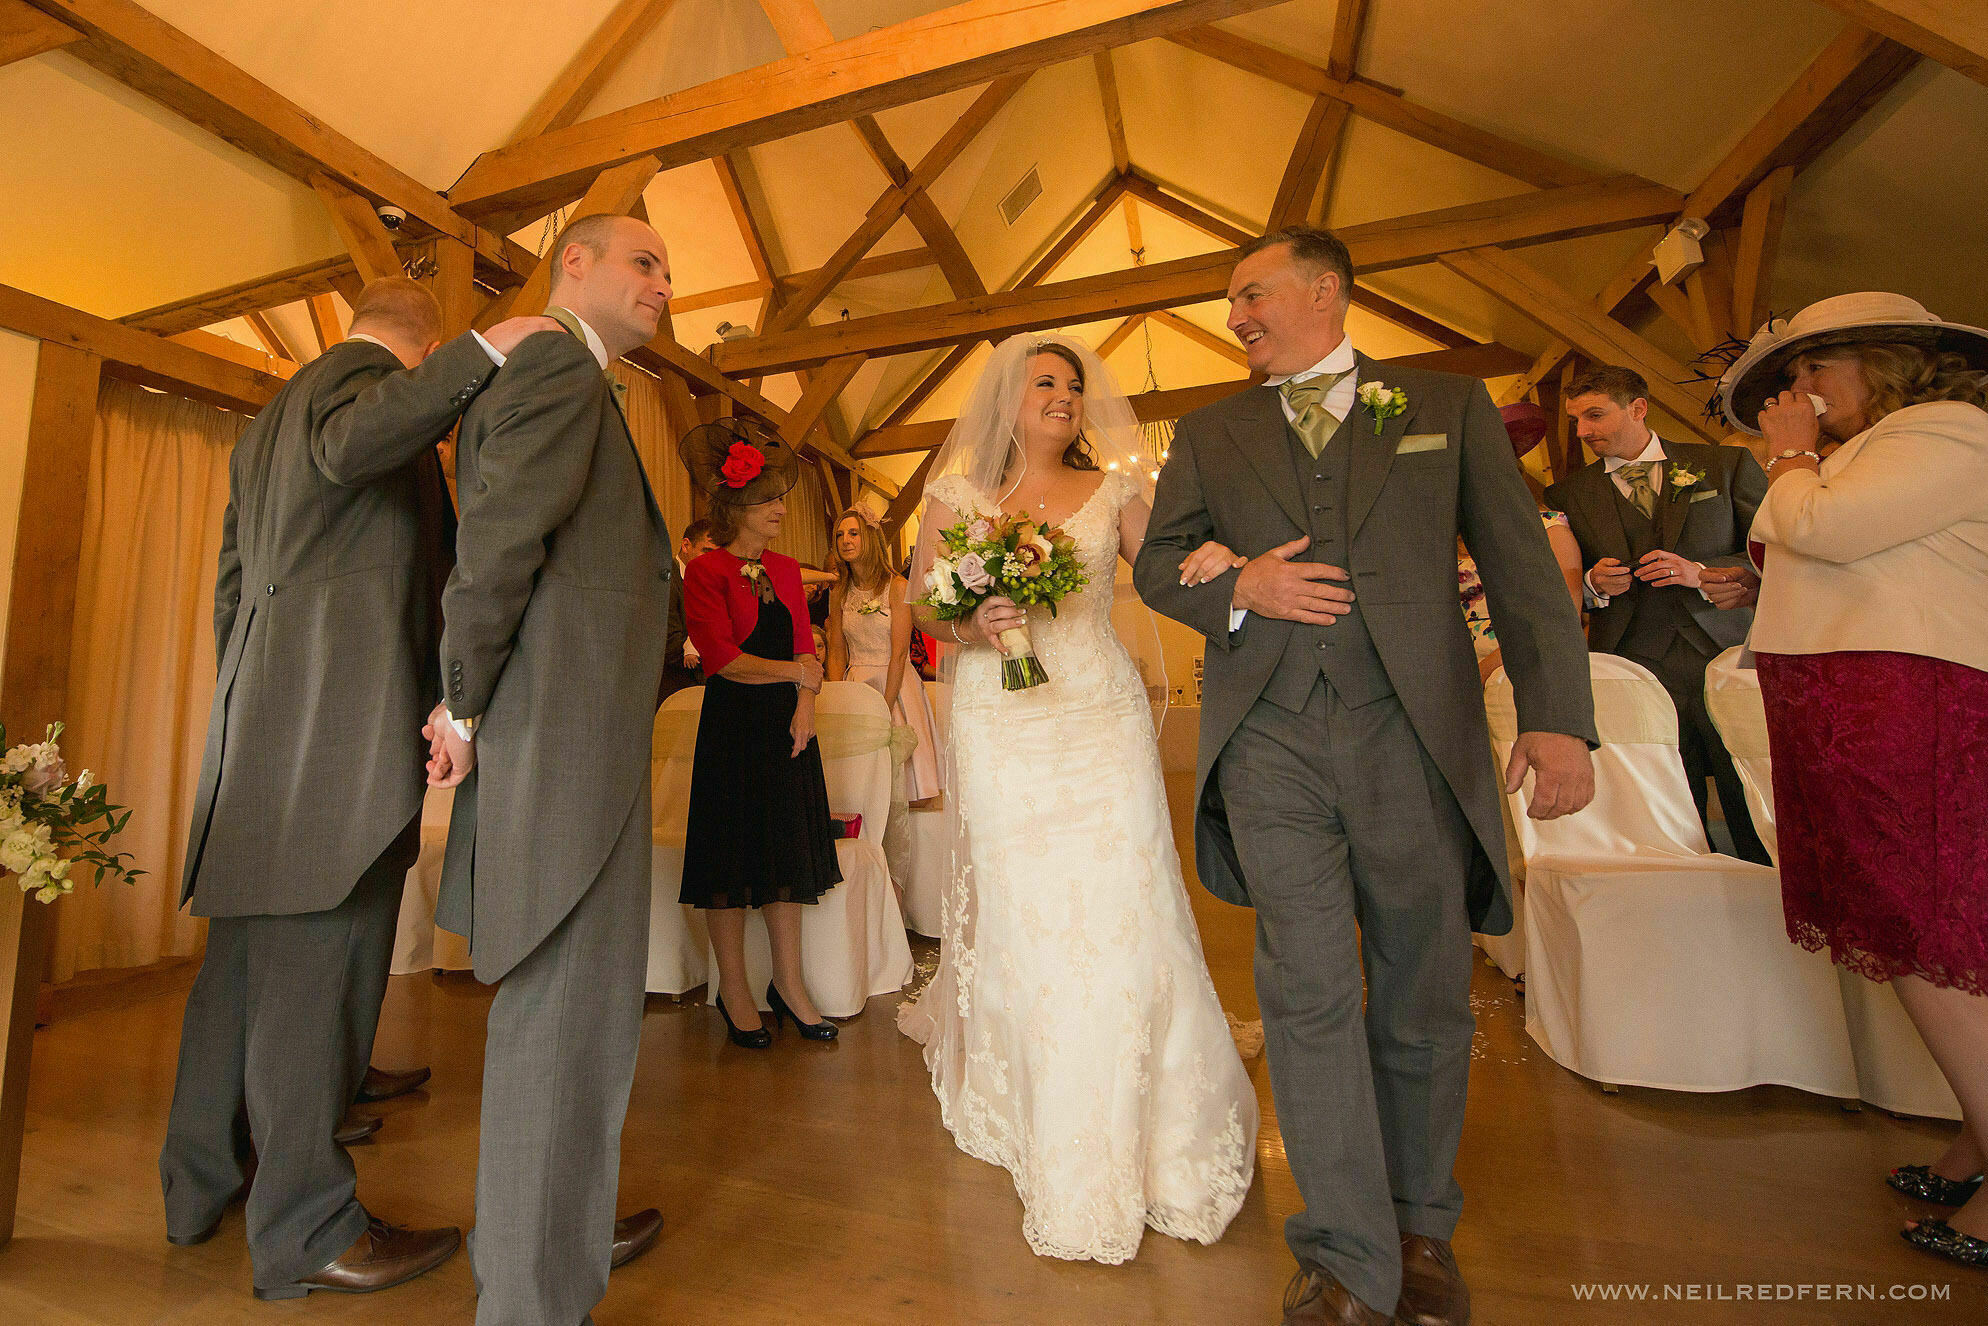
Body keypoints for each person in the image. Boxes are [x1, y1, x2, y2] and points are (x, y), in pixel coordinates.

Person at [1134, 226, 1597, 1326]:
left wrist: (1558, 721)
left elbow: (1523, 568)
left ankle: (1417, 1226)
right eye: (1229, 300)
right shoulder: (1208, 431)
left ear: (1323, 290)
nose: (1235, 315)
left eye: (1250, 293)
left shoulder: (1442, 408)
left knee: (1422, 987)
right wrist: (1237, 584)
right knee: (1303, 991)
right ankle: (1341, 1250)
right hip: (1269, 743)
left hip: (1413, 735)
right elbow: (1157, 562)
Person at [160, 278, 554, 1299]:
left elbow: (232, 586)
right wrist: (488, 350)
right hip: (327, 737)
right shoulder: (356, 383)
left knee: (241, 977)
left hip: (269, 727)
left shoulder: (260, 430)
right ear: (420, 349)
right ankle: (305, 1232)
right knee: (314, 980)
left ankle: (198, 1182)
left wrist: (262, 695)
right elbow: (353, 448)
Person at [897, 333, 1259, 1266]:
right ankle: (1049, 1104)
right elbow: (926, 606)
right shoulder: (957, 498)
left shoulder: (1116, 496)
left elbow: (1174, 573)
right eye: (1043, 382)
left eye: (1072, 383)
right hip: (999, 718)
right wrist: (972, 617)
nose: (1062, 395)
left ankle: (1162, 1114)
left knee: (1123, 899)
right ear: (1005, 401)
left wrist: (1236, 573)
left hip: (1098, 715)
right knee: (1029, 911)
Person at [426, 213, 672, 1325]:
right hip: (560, 750)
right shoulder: (556, 371)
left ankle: (549, 1252)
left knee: (578, 1035)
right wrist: (463, 706)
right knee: (562, 1032)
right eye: (644, 261)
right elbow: (494, 549)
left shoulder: (577, 381)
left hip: (580, 743)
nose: (665, 282)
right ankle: (528, 1301)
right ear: (574, 263)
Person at [1718, 291, 1988, 1271]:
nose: (1795, 394)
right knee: (1898, 925)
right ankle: (1973, 1138)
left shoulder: (1947, 431)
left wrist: (1788, 459)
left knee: (1923, 927)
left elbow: (1826, 532)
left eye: (1809, 372)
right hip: (1852, 703)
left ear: (1880, 362)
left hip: (1902, 703)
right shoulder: (1872, 449)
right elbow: (1813, 545)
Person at [1545, 365, 1771, 864]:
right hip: (1634, 664)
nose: (1583, 431)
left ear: (1639, 408)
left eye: (1595, 414)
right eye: (1577, 418)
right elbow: (1558, 581)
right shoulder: (1566, 496)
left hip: (1728, 655)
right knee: (1668, 805)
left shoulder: (1725, 465)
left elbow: (1774, 552)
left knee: (1754, 792)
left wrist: (1701, 572)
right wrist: (1591, 584)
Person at [676, 421, 841, 1048]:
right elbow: (720, 658)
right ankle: (735, 989)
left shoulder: (785, 569)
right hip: (732, 728)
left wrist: (805, 703)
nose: (779, 509)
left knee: (785, 856)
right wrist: (795, 673)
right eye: (769, 499)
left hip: (786, 729)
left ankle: (790, 985)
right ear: (736, 506)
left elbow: (806, 643)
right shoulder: (705, 570)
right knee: (729, 858)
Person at [1457, 402, 1585, 681]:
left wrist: (1479, 678)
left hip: (1521, 669)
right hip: (1449, 671)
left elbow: (1561, 622)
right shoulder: (1446, 537)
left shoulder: (1550, 529)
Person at [826, 507, 944, 802]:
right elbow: (837, 647)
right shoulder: (839, 590)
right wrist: (837, 693)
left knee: (903, 786)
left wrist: (885, 707)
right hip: (855, 682)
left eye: (853, 533)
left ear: (869, 537)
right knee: (858, 787)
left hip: (895, 683)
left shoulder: (897, 587)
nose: (845, 540)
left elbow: (900, 653)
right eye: (840, 535)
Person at [661, 519, 717, 700]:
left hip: (704, 684)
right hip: (677, 687)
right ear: (686, 545)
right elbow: (670, 643)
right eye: (706, 552)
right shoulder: (666, 579)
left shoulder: (709, 582)